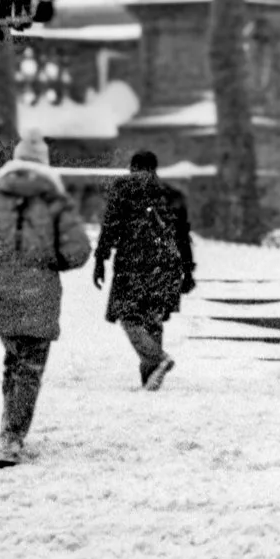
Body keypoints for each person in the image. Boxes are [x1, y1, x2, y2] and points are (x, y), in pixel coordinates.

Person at [0, 136, 92, 468]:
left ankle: (9, 428)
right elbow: (78, 251)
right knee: (29, 369)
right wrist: (51, 263)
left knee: (15, 363)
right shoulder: (55, 204)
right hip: (41, 295)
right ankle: (11, 438)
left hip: (1, 295)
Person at [91, 148, 197, 392]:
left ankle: (158, 360)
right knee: (153, 319)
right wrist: (188, 271)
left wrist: (100, 260)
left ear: (133, 167)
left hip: (134, 263)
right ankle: (150, 381)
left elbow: (110, 227)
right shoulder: (172, 194)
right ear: (154, 168)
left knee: (128, 316)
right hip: (167, 264)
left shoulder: (123, 188)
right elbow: (183, 236)